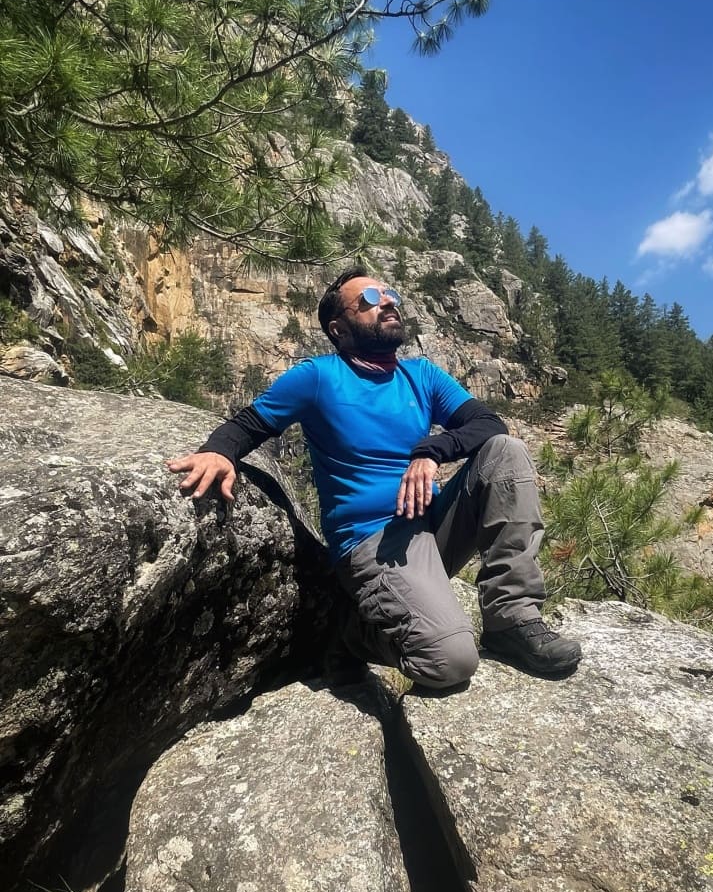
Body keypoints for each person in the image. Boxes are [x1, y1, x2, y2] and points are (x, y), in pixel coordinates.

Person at [167, 265, 581, 690]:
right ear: (339, 328)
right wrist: (217, 452)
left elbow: (486, 423)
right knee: (451, 663)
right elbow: (250, 424)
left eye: (388, 294)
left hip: (431, 524)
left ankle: (511, 620)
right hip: (372, 541)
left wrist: (432, 450)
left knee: (505, 452)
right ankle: (352, 635)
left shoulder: (421, 375)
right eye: (367, 300)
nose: (386, 302)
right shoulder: (318, 376)